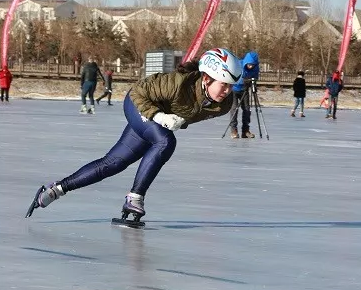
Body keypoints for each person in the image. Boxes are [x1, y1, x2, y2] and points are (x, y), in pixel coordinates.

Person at [26, 47, 242, 220]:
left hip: (155, 122)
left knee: (113, 163)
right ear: (206, 79)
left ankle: (56, 189)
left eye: (231, 86)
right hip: (138, 104)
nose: (227, 92)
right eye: (224, 85)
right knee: (166, 142)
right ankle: (135, 198)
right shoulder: (176, 84)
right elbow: (137, 93)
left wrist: (169, 120)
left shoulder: (222, 105)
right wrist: (159, 117)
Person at [229, 51, 259, 138]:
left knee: (247, 109)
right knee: (234, 109)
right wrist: (243, 80)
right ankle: (233, 130)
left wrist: (253, 83)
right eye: (249, 64)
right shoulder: (239, 64)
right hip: (234, 89)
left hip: (245, 90)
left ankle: (245, 130)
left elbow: (255, 77)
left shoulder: (256, 68)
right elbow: (234, 76)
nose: (250, 66)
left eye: (252, 65)